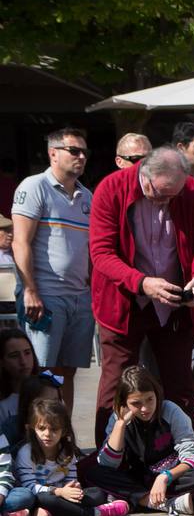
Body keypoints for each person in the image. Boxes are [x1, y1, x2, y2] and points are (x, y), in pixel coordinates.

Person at [89, 147, 194, 447]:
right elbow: (101, 254)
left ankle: (183, 454)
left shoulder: (191, 190)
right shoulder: (111, 188)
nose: (166, 201)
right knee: (115, 382)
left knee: (180, 384)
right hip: (124, 301)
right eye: (159, 194)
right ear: (143, 174)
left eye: (173, 195)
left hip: (175, 304)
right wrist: (142, 283)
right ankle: (107, 458)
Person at [13, 127, 94, 406]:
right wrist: (30, 290)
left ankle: (64, 437)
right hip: (45, 295)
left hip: (79, 296)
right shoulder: (34, 186)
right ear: (53, 153)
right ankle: (35, 439)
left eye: (84, 151)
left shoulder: (88, 196)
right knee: (41, 371)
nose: (81, 156)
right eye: (74, 150)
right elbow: (20, 242)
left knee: (67, 371)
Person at [81, 366, 194, 515]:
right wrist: (121, 425)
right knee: (94, 473)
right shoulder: (118, 420)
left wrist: (165, 477)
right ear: (124, 404)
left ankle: (135, 500)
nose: (145, 408)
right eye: (136, 403)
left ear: (157, 394)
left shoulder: (171, 411)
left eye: (149, 399)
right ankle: (155, 502)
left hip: (169, 478)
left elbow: (192, 458)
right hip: (135, 479)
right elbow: (108, 464)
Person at [8, 387, 129, 516]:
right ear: (31, 429)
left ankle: (53, 514)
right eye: (41, 428)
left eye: (54, 429)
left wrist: (74, 488)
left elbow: (71, 479)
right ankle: (96, 513)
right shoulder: (26, 453)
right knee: (46, 499)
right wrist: (60, 492)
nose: (47, 434)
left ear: (63, 431)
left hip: (63, 496)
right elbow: (29, 486)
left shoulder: (66, 452)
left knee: (97, 493)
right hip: (41, 496)